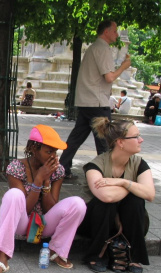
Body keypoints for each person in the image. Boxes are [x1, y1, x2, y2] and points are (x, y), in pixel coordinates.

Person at [0, 125, 87, 273]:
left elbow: (51, 208)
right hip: (21, 223)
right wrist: (37, 180)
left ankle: (56, 251)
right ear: (33, 148)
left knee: (78, 204)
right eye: (48, 151)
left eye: (55, 152)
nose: (53, 157)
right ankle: (2, 257)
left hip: (43, 224)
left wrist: (46, 181)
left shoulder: (57, 171)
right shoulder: (16, 167)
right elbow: (24, 208)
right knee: (14, 195)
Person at [77, 117, 155, 273]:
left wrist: (123, 182)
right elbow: (106, 196)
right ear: (120, 142)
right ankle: (97, 254)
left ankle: (133, 256)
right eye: (136, 137)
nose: (141, 140)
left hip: (128, 220)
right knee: (107, 203)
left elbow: (150, 194)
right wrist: (133, 186)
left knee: (136, 200)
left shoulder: (139, 163)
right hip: (96, 222)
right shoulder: (95, 165)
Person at [59, 20, 131, 179]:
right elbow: (109, 77)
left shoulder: (93, 48)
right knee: (105, 139)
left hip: (86, 100)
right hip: (97, 102)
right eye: (114, 31)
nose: (117, 34)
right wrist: (124, 66)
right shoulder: (103, 49)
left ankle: (62, 168)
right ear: (106, 32)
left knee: (76, 138)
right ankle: (108, 174)